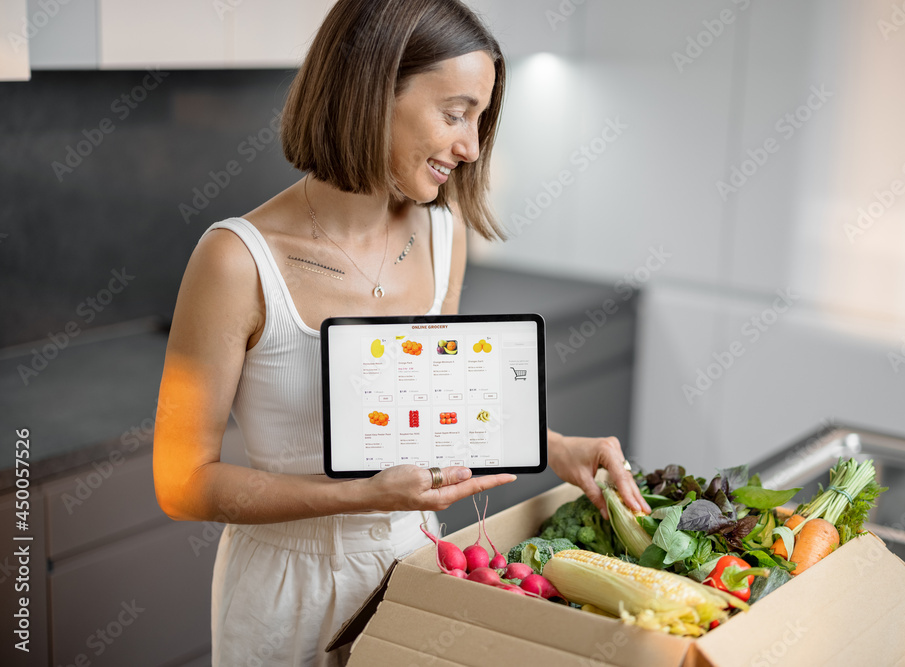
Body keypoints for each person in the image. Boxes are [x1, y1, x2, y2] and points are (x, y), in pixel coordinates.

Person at [152, 0, 650, 664]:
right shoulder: (236, 260)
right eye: (454, 114)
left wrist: (553, 447)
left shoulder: (445, 234)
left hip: (414, 568)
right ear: (370, 90)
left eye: (479, 119)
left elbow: (429, 414)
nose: (471, 147)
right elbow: (181, 481)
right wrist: (360, 495)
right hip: (284, 592)